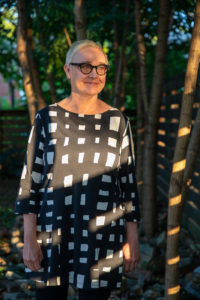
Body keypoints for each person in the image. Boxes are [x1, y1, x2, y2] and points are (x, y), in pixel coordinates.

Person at [15, 40, 140, 300]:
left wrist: (132, 237)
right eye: (85, 66)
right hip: (51, 234)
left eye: (101, 68)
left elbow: (127, 185)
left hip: (102, 237)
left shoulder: (118, 121)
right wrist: (29, 239)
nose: (94, 73)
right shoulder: (46, 119)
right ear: (67, 70)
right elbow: (30, 182)